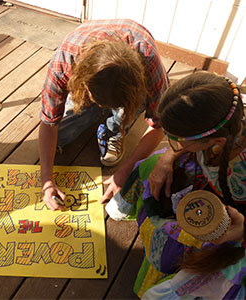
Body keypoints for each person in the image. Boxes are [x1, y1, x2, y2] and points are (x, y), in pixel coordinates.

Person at [105, 72, 246, 299]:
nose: (173, 144)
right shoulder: (224, 124)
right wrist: (167, 158)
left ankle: (165, 271)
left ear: (216, 142)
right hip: (209, 190)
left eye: (177, 139)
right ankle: (122, 207)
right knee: (150, 165)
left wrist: (241, 231)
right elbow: (184, 145)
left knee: (171, 250)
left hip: (235, 233)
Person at [39, 19, 169, 210]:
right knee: (61, 136)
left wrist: (126, 170)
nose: (103, 105)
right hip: (81, 69)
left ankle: (114, 126)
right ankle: (100, 110)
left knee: (129, 109)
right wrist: (47, 182)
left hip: (134, 70)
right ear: (83, 83)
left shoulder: (149, 60)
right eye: (98, 101)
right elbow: (49, 123)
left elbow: (160, 124)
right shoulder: (64, 61)